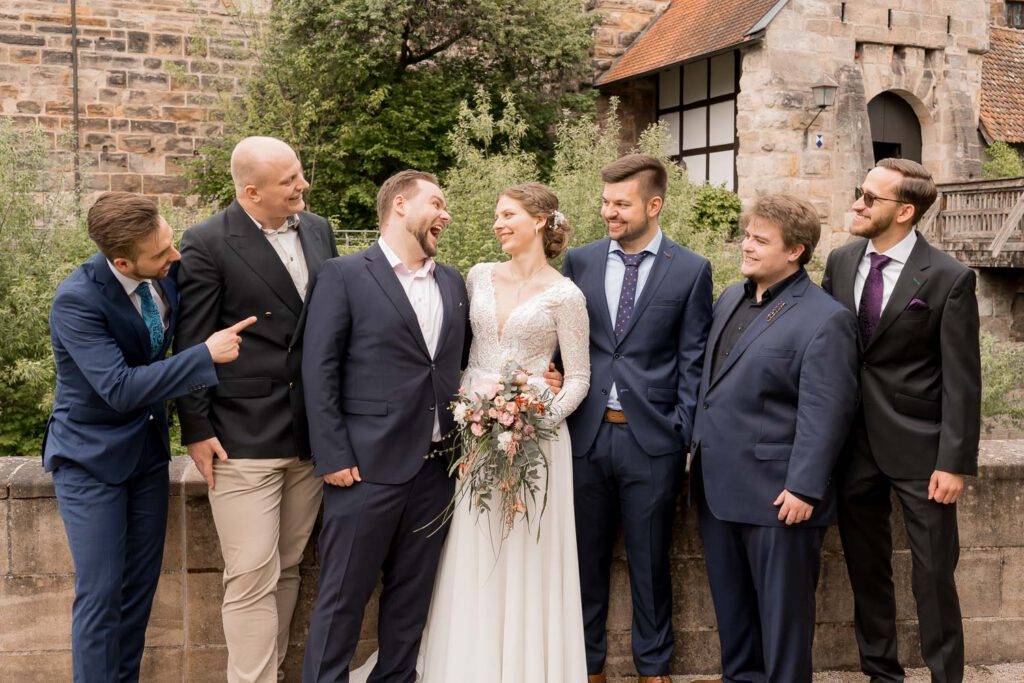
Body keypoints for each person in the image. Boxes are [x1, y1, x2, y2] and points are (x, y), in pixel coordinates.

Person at [45, 191, 253, 682]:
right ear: (122, 262)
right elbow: (119, 388)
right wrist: (204, 355)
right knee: (101, 595)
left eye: (170, 242)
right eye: (161, 253)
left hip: (146, 455)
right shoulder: (76, 301)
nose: (174, 257)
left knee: (138, 592)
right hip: (90, 461)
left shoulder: (165, 273)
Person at [173, 136, 339, 682]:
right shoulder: (206, 242)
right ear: (251, 192)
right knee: (249, 575)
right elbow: (192, 343)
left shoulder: (318, 229)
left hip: (310, 433)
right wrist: (196, 429)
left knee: (287, 568)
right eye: (289, 181)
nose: (302, 185)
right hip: (240, 434)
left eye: (299, 173)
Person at [300, 170, 471, 682]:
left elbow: (461, 364)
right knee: (341, 600)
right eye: (436, 203)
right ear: (400, 205)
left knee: (411, 602)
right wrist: (332, 455)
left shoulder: (453, 281)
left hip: (438, 471)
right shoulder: (344, 274)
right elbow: (319, 369)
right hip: (364, 469)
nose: (445, 214)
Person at [822, 158, 981, 683]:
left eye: (870, 198)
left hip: (922, 449)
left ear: (905, 211)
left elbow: (962, 379)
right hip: (851, 446)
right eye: (860, 191)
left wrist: (954, 462)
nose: (858, 203)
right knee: (866, 570)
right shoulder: (841, 263)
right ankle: (881, 673)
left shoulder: (949, 278)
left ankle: (946, 676)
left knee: (934, 575)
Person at [691, 193, 859, 683]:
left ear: (795, 251)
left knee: (784, 633)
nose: (746, 245)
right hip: (717, 491)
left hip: (779, 500)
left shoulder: (826, 318)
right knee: (735, 628)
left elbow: (826, 412)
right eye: (746, 235)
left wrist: (805, 487)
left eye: (760, 240)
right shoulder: (730, 298)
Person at [559, 154, 713, 683]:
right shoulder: (578, 262)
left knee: (650, 564)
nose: (609, 212)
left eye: (621, 204)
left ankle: (654, 668)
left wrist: (681, 434)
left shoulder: (691, 269)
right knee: (585, 563)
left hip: (652, 442)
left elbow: (693, 360)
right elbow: (563, 343)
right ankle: (588, 667)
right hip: (584, 437)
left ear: (654, 205)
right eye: (606, 202)